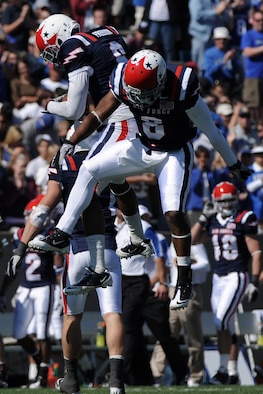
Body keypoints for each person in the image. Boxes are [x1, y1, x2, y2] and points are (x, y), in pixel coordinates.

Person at [29, 49, 253, 311]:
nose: (140, 99)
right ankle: (62, 231)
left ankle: (183, 279)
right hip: (141, 146)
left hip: (173, 153)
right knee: (89, 168)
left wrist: (233, 164)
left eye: (146, 92)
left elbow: (211, 131)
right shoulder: (123, 79)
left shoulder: (181, 86)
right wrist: (71, 141)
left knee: (173, 214)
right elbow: (98, 115)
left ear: (160, 80)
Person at [33, 14, 153, 287]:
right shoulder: (106, 32)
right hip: (131, 113)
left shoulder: (72, 48)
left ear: (59, 36)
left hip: (122, 118)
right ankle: (125, 246)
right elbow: (103, 79)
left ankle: (62, 232)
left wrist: (49, 105)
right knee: (113, 182)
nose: (52, 57)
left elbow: (74, 110)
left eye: (51, 49)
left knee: (87, 175)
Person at [6, 140, 126, 394]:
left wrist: (21, 247)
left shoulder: (64, 161)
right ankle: (116, 380)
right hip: (106, 246)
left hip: (77, 249)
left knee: (72, 316)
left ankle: (71, 379)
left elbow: (44, 206)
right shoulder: (107, 155)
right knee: (112, 313)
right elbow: (126, 198)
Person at [191, 181, 262, 384]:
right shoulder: (213, 220)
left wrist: (255, 281)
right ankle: (230, 371)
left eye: (230, 201)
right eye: (222, 201)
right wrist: (203, 217)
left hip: (237, 276)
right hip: (218, 277)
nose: (226, 205)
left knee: (221, 319)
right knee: (225, 324)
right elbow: (194, 239)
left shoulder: (244, 218)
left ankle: (224, 369)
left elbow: (256, 252)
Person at [115, 205, 188, 386]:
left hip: (150, 289)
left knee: (161, 334)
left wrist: (161, 282)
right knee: (134, 332)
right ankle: (140, 376)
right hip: (137, 287)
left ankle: (181, 372)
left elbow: (160, 258)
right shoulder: (123, 231)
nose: (144, 219)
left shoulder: (147, 231)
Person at [0, 194, 62, 388]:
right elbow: (13, 267)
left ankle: (43, 376)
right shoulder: (19, 235)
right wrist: (3, 291)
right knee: (19, 334)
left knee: (42, 333)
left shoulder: (53, 232)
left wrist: (61, 290)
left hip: (45, 286)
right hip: (26, 287)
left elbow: (58, 267)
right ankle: (39, 361)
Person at [150, 241, 210, 387]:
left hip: (189, 290)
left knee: (192, 334)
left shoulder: (195, 243)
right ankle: (157, 373)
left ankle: (196, 374)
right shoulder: (171, 243)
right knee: (166, 334)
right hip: (173, 289)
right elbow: (170, 267)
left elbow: (206, 265)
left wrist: (188, 265)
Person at [188, 0, 231, 77]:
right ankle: (198, 87)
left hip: (216, 39)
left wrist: (222, 11)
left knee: (214, 66)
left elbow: (226, 18)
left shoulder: (217, 1)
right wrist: (215, 12)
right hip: (200, 36)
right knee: (199, 66)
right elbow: (197, 15)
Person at [203, 26, 244, 100]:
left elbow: (239, 70)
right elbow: (209, 71)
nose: (222, 42)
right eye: (219, 39)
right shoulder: (209, 53)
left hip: (228, 83)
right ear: (215, 40)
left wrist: (233, 60)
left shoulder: (231, 52)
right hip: (213, 82)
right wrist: (223, 61)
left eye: (224, 39)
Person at [240, 8, 263, 122]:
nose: (261, 22)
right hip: (253, 76)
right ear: (252, 21)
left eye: (262, 20)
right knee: (254, 105)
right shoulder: (249, 35)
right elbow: (247, 52)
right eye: (258, 20)